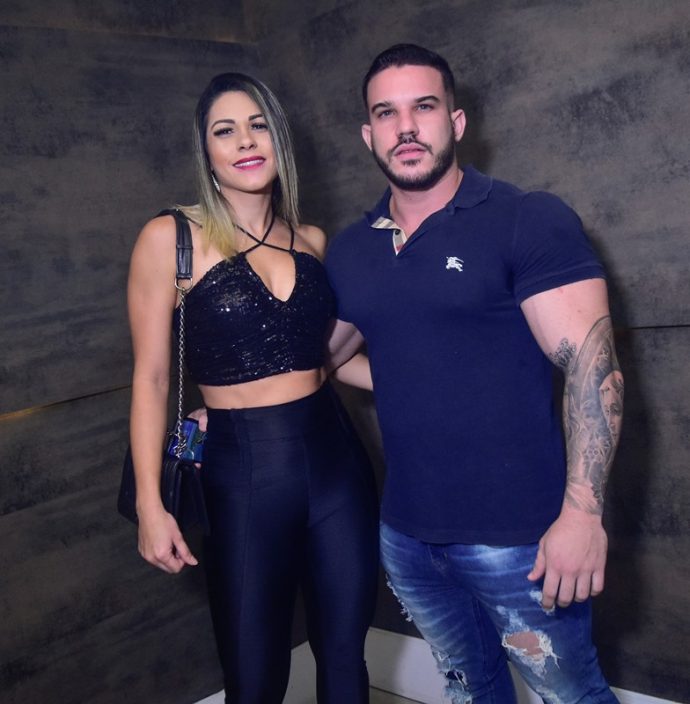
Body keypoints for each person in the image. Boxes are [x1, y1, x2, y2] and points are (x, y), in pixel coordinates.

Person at [325, 44, 624, 703]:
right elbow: (328, 359)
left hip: (521, 542)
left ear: (456, 122)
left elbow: (592, 370)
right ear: (368, 134)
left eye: (424, 107)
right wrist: (224, 406)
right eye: (387, 113)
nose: (406, 127)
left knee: (572, 697)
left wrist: (582, 516)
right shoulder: (351, 250)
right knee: (470, 692)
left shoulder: (526, 218)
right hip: (407, 539)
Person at [127, 72, 378, 704]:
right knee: (254, 677)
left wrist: (436, 380)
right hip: (242, 475)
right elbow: (152, 378)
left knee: (345, 658)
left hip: (337, 465)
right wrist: (152, 508)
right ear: (206, 151)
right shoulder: (170, 239)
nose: (245, 140)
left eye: (258, 125)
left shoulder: (312, 240)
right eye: (225, 130)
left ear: (277, 139)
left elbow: (324, 361)